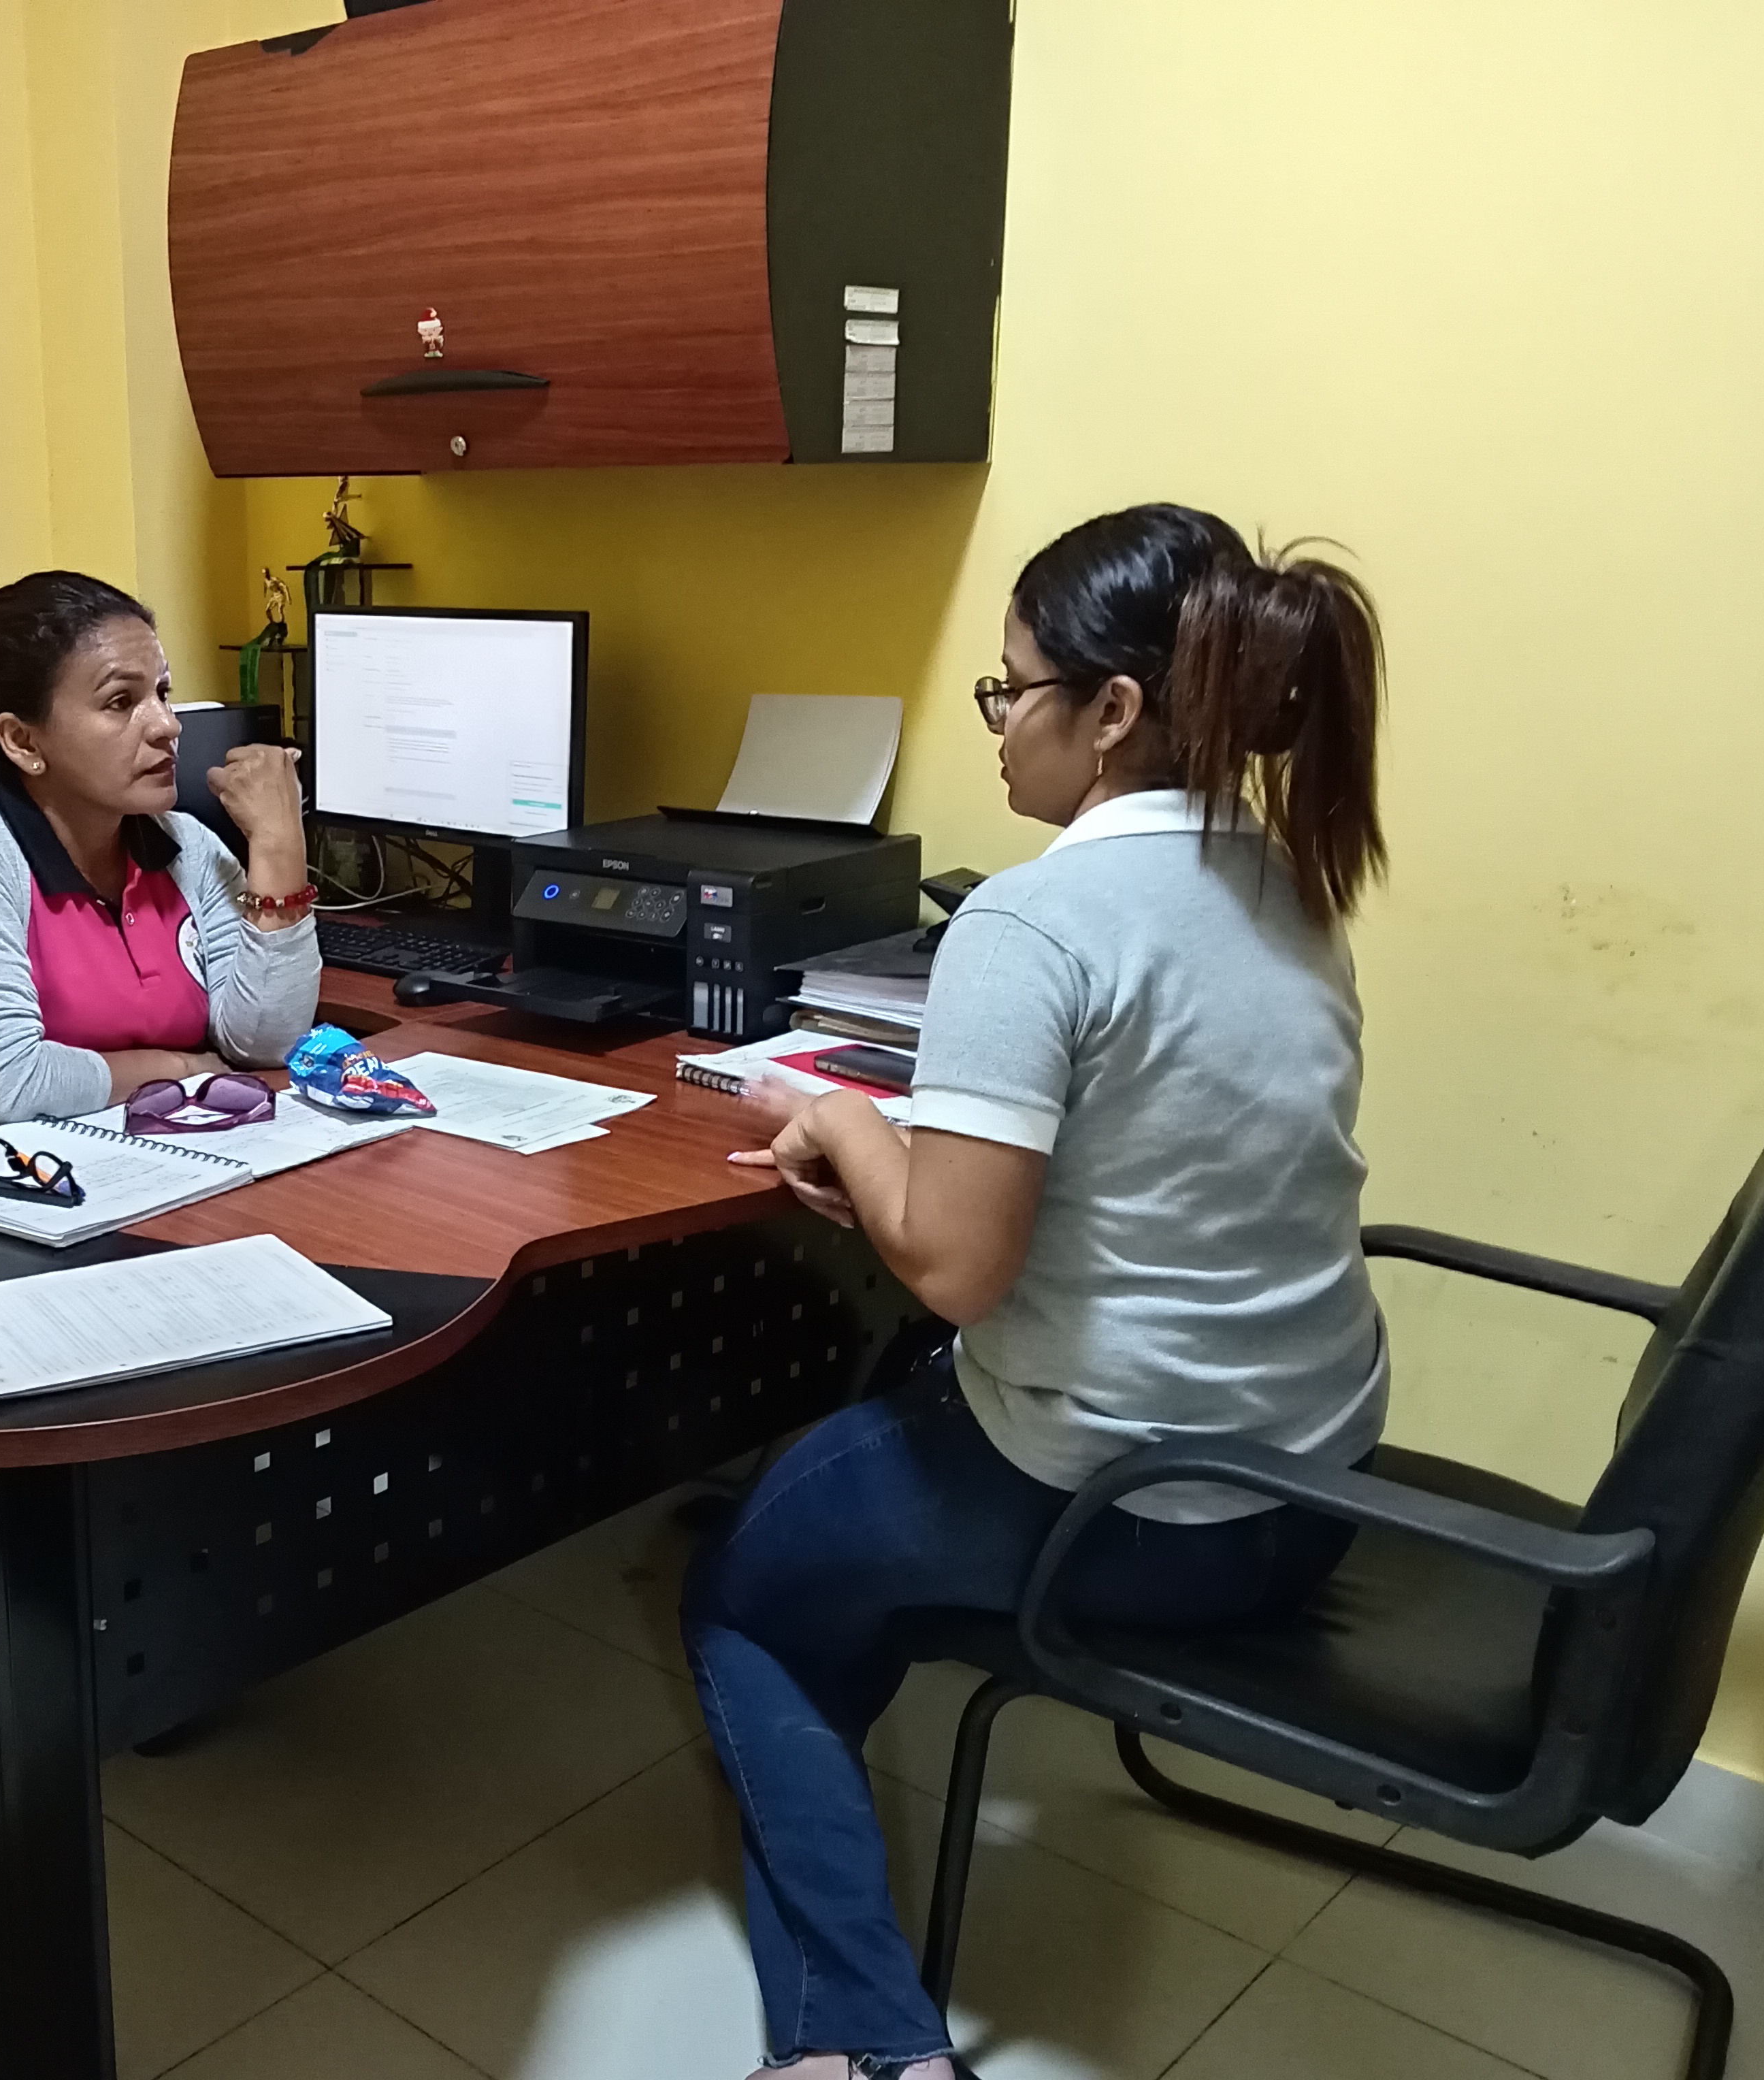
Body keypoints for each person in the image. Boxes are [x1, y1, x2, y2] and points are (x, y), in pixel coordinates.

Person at [687, 504, 1391, 2080]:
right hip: (1315, 1486)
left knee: (742, 1593)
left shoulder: (1030, 919)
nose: (997, 724)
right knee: (837, 1547)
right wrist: (912, 1161)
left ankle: (867, 2042)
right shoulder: (1290, 882)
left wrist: (844, 1125)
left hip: (1124, 1513)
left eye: (1011, 689)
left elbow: (953, 1266)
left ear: (1113, 710)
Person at [0, 571, 319, 1141]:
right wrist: (185, 1070)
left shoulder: (187, 847)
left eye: (162, 693)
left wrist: (278, 844)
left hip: (124, 1151)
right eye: (121, 702)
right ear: (23, 741)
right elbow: (7, 1085)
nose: (167, 725)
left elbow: (264, 1042)